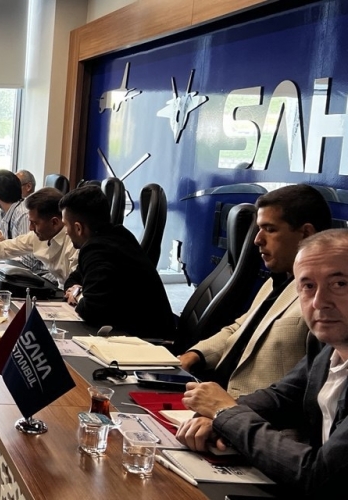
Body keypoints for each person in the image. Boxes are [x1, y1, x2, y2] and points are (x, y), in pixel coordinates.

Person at [176, 229, 348, 497]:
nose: (319, 302)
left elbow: (317, 474)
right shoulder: (325, 347)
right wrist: (218, 419)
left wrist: (225, 413)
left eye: (340, 284)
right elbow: (282, 396)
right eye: (308, 286)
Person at [179, 184, 330, 397]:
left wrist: (229, 410)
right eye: (259, 229)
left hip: (247, 408)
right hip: (212, 394)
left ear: (305, 233)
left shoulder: (324, 300)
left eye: (270, 229)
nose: (257, 239)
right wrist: (196, 355)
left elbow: (306, 389)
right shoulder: (276, 280)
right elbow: (239, 328)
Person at [60, 184, 175, 337]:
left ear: (78, 228)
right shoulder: (117, 236)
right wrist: (77, 291)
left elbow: (92, 310)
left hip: (145, 340)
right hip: (134, 331)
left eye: (65, 225)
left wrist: (77, 294)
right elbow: (73, 279)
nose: (65, 232)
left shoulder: (98, 249)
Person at [0, 188, 78, 287]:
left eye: (35, 223)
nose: (30, 228)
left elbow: (78, 286)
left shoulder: (75, 244)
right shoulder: (38, 235)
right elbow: (3, 248)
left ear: (54, 222)